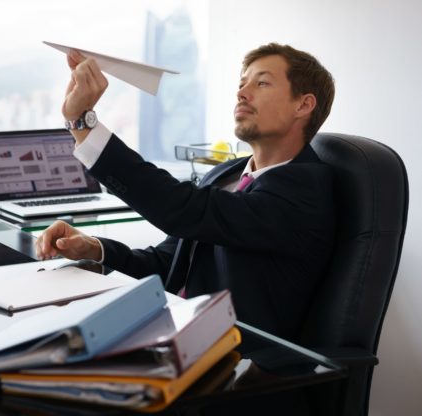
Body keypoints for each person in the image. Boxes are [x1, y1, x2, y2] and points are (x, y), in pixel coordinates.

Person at [35, 43, 336, 342]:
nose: (242, 93)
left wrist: (83, 124)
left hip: (235, 355)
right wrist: (94, 249)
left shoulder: (307, 189)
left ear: (303, 105)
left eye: (262, 83)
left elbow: (182, 209)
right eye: (242, 84)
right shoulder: (226, 173)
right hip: (171, 330)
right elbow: (167, 264)